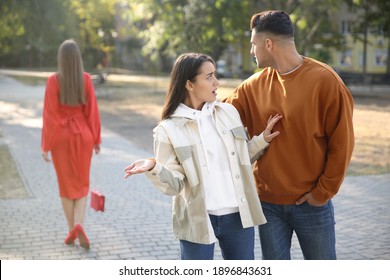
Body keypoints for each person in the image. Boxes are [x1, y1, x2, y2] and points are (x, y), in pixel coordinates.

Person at [223, 10, 355, 260]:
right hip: (268, 207)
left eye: (253, 44)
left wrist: (322, 193)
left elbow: (342, 144)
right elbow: (218, 115)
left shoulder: (326, 82)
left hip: (311, 205)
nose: (252, 51)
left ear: (268, 44)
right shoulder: (254, 85)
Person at [124, 53, 282, 260]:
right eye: (209, 77)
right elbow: (175, 186)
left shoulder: (228, 112)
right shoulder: (168, 129)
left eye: (215, 75)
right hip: (197, 219)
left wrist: (262, 139)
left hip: (238, 216)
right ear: (189, 84)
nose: (216, 82)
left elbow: (241, 160)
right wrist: (153, 166)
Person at [41, 39, 101, 249]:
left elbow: (50, 115)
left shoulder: (53, 81)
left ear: (60, 59)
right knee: (82, 184)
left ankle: (71, 231)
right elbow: (92, 112)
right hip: (83, 135)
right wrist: (96, 139)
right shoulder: (85, 79)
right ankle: (79, 225)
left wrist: (45, 145)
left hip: (61, 137)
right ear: (78, 59)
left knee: (66, 187)